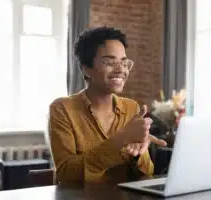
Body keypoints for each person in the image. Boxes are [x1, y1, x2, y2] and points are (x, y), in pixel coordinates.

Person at [48, 27, 167, 185]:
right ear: (86, 68)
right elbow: (66, 175)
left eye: (124, 63)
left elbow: (147, 174)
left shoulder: (132, 108)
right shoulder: (62, 109)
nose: (120, 70)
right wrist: (120, 140)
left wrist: (139, 154)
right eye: (110, 62)